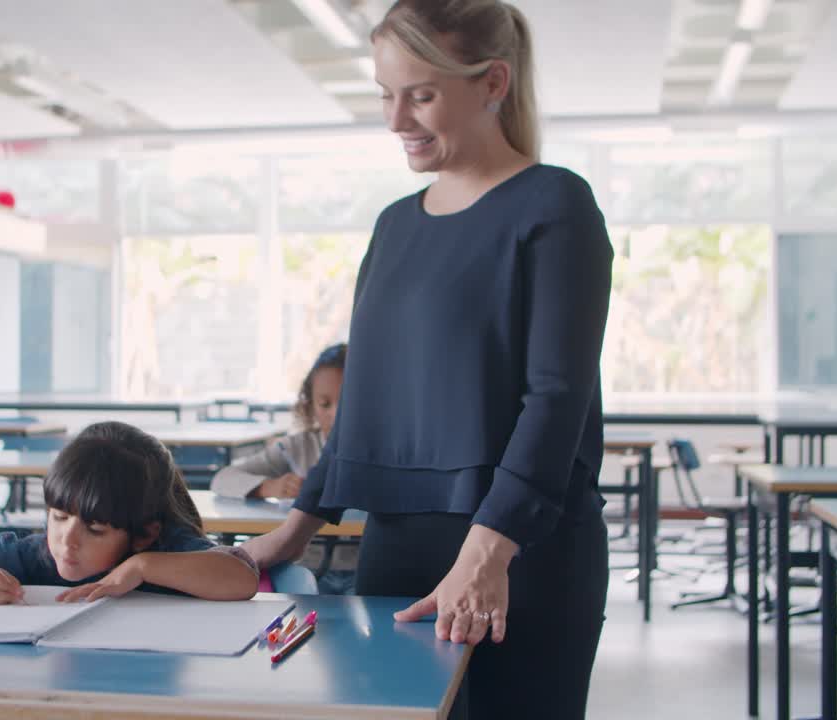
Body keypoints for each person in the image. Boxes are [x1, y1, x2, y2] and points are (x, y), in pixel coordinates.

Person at [242, 2, 613, 718]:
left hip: (519, 551)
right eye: (386, 95)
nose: (396, 119)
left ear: (493, 82)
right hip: (397, 546)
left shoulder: (556, 207)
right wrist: (296, 529)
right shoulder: (394, 225)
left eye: (422, 95)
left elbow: (556, 400)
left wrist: (486, 554)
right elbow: (367, 403)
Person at [0, 421, 259, 604]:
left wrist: (142, 567)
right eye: (58, 517)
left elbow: (242, 579)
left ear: (143, 534)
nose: (66, 541)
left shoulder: (165, 550)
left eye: (95, 529)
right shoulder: (38, 554)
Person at [210, 343, 346, 499]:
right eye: (324, 404)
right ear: (311, 407)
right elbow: (222, 479)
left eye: (347, 402)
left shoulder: (379, 449)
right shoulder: (297, 447)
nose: (336, 414)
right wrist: (269, 487)